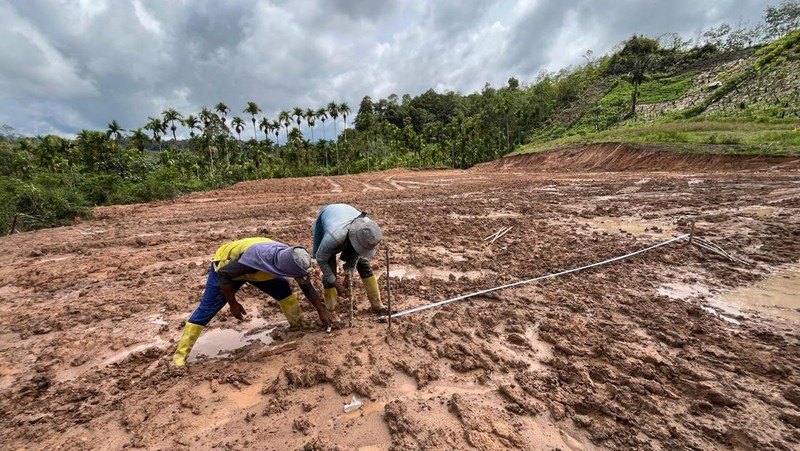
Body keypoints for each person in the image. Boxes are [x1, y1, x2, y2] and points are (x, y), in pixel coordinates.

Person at [173, 237, 335, 366]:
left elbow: (306, 285)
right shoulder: (257, 260)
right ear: (286, 269)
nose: (300, 278)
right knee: (207, 309)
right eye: (297, 275)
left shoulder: (289, 257)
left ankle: (299, 324)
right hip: (227, 268)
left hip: (259, 270)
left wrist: (321, 310)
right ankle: (179, 357)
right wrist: (233, 303)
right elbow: (224, 274)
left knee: (283, 288)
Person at [312, 204, 384, 312]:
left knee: (363, 262)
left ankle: (377, 305)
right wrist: (336, 284)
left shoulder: (367, 228)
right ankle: (330, 310)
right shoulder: (334, 236)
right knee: (329, 265)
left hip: (346, 218)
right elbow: (321, 259)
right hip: (328, 219)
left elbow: (357, 253)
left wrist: (349, 273)